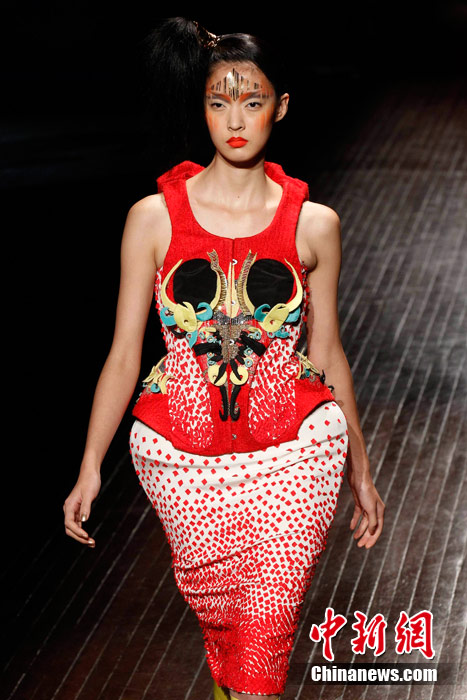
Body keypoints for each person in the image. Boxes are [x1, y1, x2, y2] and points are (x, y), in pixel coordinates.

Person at [63, 17, 385, 700]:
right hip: (182, 464)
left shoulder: (314, 224)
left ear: (281, 107)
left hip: (297, 455)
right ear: (201, 107)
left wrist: (360, 468)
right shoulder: (152, 219)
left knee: (265, 634)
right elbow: (124, 353)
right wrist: (90, 464)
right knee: (226, 634)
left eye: (252, 101)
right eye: (217, 102)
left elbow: (327, 352)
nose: (235, 121)